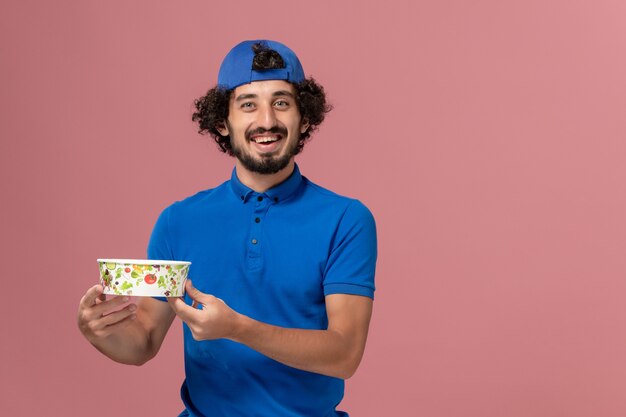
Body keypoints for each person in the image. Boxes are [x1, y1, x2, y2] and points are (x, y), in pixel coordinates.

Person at [78, 39, 377, 417]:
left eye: (281, 102)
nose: (267, 120)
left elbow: (345, 355)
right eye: (248, 104)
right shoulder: (177, 221)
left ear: (304, 117)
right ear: (223, 121)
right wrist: (99, 331)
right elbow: (144, 340)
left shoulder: (347, 219)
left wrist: (237, 328)